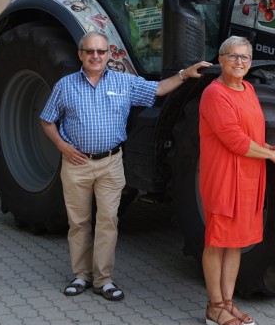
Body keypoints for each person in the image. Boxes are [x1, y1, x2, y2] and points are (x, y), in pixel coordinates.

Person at [40, 31, 211, 301]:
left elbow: (157, 89)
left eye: (101, 52)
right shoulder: (65, 86)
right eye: (90, 52)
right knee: (79, 222)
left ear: (108, 55)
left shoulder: (124, 82)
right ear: (80, 55)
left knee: (108, 221)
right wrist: (62, 146)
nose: (95, 56)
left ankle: (103, 279)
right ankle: (80, 276)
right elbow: (47, 120)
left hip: (110, 163)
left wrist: (184, 74)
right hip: (77, 164)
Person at [198, 36, 275, 325]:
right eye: (233, 56)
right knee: (217, 241)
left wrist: (269, 146)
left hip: (249, 177)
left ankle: (227, 302)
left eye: (245, 58)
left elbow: (249, 133)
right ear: (221, 60)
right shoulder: (215, 94)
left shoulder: (248, 89)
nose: (240, 63)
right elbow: (234, 141)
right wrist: (271, 154)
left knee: (235, 243)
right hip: (224, 178)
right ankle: (214, 307)